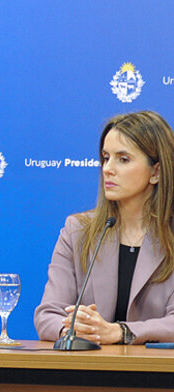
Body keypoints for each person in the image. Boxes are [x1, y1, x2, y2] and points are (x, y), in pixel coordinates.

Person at [34, 110, 174, 344]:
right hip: (90, 374)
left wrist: (121, 332)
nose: (107, 168)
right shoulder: (78, 231)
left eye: (123, 159)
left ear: (156, 172)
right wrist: (73, 329)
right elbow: (48, 314)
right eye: (105, 157)